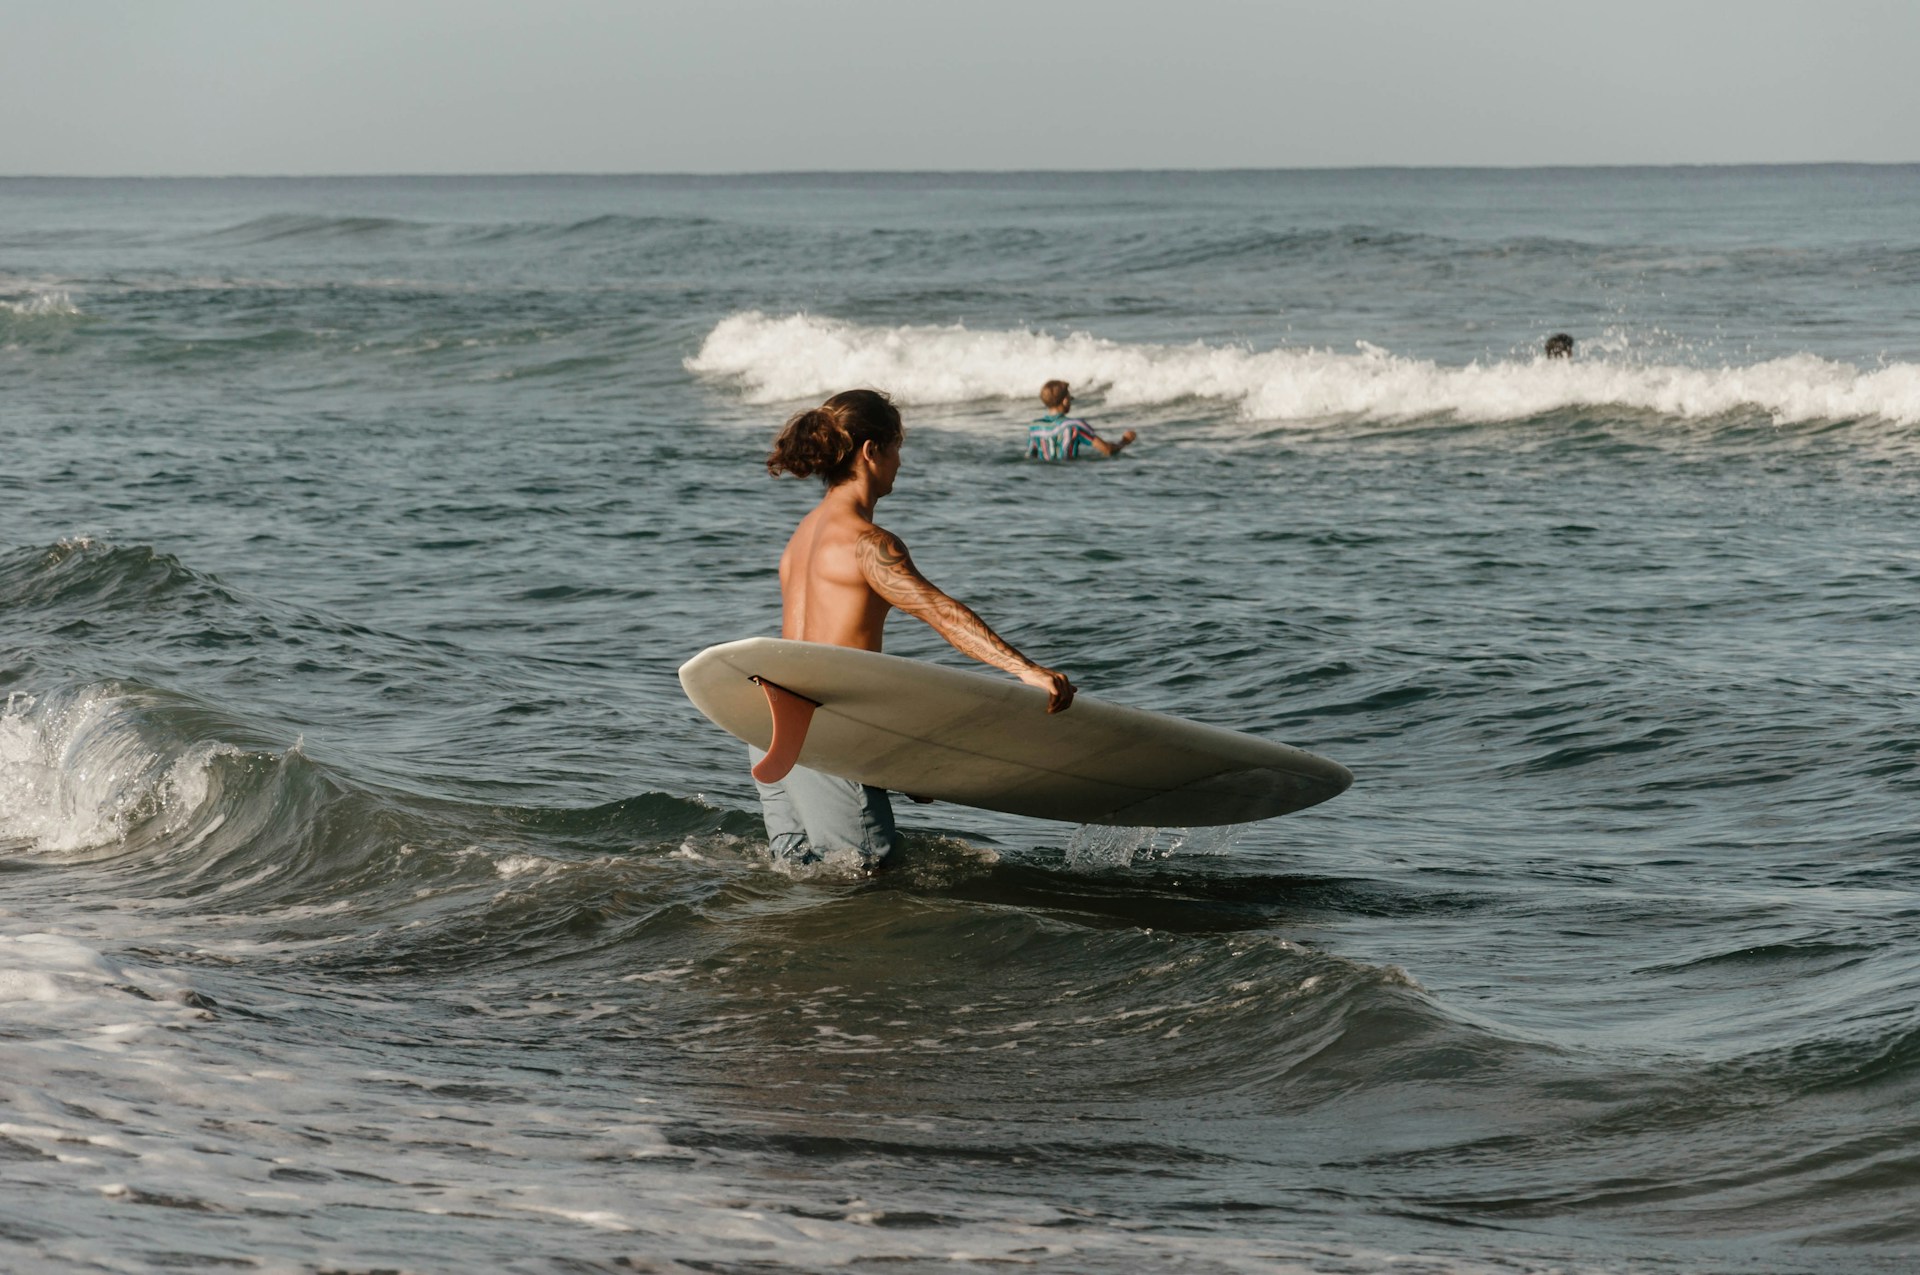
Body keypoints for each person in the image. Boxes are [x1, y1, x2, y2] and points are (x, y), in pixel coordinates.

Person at [759, 388, 1075, 871]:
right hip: (826, 732)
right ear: (872, 451)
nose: (900, 463)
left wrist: (899, 761)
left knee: (797, 872)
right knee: (864, 875)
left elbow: (828, 652)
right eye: (897, 448)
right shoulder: (867, 543)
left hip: (770, 723)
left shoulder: (802, 536)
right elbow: (940, 613)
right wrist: (1024, 670)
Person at [1028, 380, 1136, 460]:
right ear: (1065, 401)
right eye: (1070, 398)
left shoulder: (1035, 427)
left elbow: (1030, 456)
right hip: (1069, 472)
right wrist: (1124, 442)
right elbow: (1107, 450)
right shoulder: (1075, 425)